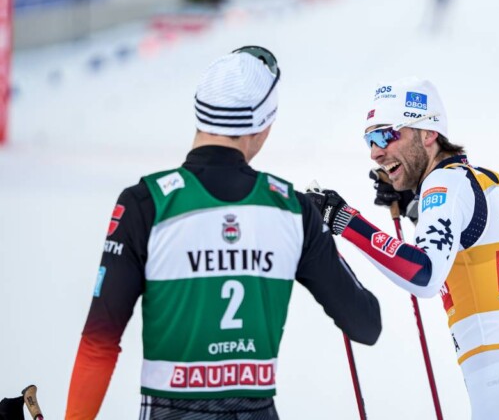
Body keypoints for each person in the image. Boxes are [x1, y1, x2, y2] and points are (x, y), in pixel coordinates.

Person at [65, 47, 382, 420]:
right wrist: (314, 235)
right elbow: (366, 324)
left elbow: (99, 343)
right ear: (263, 124)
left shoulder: (144, 203)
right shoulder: (291, 210)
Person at [308, 78, 499, 420]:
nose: (375, 152)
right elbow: (461, 251)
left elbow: (423, 272)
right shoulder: (483, 179)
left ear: (428, 134)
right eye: (369, 140)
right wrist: (414, 208)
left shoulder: (445, 183)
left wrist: (343, 219)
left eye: (386, 135)